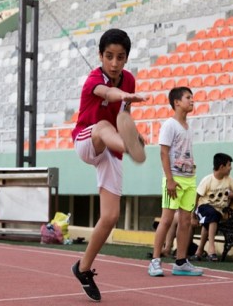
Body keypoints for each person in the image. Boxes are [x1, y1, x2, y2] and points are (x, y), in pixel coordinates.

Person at [69, 28, 147, 302]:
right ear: (100, 56)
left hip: (111, 148)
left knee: (111, 216)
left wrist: (133, 132)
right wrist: (123, 96)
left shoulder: (130, 80)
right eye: (109, 57)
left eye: (120, 58)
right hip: (87, 139)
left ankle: (83, 267)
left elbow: (124, 118)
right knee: (102, 126)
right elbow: (107, 92)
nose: (114, 63)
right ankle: (126, 146)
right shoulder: (94, 78)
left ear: (126, 59)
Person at [148, 87, 203, 277]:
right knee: (167, 219)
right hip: (174, 179)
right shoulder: (169, 125)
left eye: (192, 97)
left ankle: (180, 261)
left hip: (189, 180)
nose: (192, 101)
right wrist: (169, 180)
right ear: (177, 102)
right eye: (188, 97)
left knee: (186, 221)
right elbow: (163, 152)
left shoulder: (189, 127)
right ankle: (155, 261)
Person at [192, 153, 233, 262]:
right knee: (212, 214)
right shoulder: (207, 180)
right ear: (222, 167)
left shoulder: (228, 179)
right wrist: (193, 216)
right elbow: (196, 197)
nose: (231, 167)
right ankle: (211, 249)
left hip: (217, 211)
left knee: (209, 221)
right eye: (229, 165)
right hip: (203, 208)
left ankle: (198, 252)